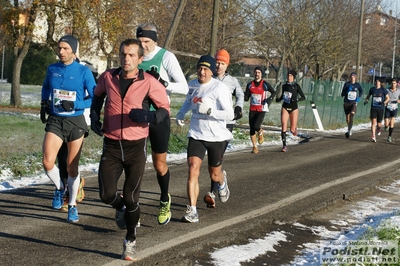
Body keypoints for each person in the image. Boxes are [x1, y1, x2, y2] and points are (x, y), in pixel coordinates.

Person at [90, 38, 170, 261]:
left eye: (132, 55)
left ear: (140, 59)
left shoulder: (149, 82)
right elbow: (97, 97)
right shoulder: (108, 77)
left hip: (136, 147)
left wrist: (150, 116)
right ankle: (121, 208)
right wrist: (94, 115)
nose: (126, 59)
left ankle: (130, 240)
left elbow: (165, 109)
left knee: (132, 197)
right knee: (106, 195)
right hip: (112, 144)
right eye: (123, 54)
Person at [136, 22, 189, 225]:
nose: (143, 45)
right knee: (136, 164)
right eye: (140, 41)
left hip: (159, 116)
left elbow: (184, 87)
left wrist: (164, 83)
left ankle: (165, 198)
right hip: (138, 117)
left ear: (154, 40)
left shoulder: (166, 56)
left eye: (147, 41)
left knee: (159, 165)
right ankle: (134, 206)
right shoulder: (135, 56)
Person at [40, 35, 96, 222]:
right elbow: (46, 87)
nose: (61, 52)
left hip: (75, 122)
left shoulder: (83, 71)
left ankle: (72, 204)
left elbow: (95, 97)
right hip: (56, 121)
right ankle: (59, 188)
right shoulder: (52, 69)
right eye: (59, 48)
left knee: (72, 167)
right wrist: (44, 102)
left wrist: (76, 104)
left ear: (73, 50)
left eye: (65, 48)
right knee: (48, 162)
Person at [176, 55, 234, 223]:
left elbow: (229, 114)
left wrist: (210, 111)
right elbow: (188, 101)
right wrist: (181, 112)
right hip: (196, 134)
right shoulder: (192, 85)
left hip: (215, 136)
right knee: (193, 168)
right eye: (200, 68)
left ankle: (222, 181)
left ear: (211, 71)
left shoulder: (219, 88)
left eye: (206, 69)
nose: (202, 72)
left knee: (214, 175)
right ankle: (192, 210)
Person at [203, 48, 244, 209]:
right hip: (211, 122)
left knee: (217, 158)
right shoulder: (208, 79)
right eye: (217, 63)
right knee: (212, 159)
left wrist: (238, 109)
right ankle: (221, 180)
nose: (219, 66)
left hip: (226, 123)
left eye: (222, 63)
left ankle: (212, 192)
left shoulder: (232, 81)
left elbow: (240, 95)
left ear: (227, 65)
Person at [244, 66, 276, 154]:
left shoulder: (265, 84)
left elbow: (274, 92)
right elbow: (246, 98)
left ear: (261, 74)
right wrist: (240, 94)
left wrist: (269, 99)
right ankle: (254, 147)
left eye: (259, 73)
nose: (257, 74)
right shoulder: (250, 84)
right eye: (256, 72)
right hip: (252, 109)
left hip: (261, 109)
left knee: (256, 126)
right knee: (251, 129)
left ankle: (260, 131)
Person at [276, 70, 305, 152]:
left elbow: (303, 97)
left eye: (291, 76)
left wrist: (297, 99)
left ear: (293, 77)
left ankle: (294, 128)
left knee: (292, 130)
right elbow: (283, 96)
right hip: (285, 107)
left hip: (294, 108)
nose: (289, 77)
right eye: (288, 76)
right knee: (284, 125)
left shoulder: (296, 86)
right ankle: (284, 146)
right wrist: (278, 99)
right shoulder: (284, 86)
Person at [364, 78, 390, 142]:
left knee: (379, 124)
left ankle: (378, 128)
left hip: (380, 108)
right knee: (373, 122)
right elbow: (368, 96)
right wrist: (366, 100)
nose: (377, 82)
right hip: (373, 108)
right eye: (376, 81)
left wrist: (384, 102)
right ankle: (373, 135)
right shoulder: (372, 89)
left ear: (380, 83)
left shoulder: (383, 90)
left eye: (378, 81)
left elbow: (388, 98)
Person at [341, 72, 363, 138]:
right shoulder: (347, 84)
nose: (352, 77)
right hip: (347, 102)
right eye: (351, 76)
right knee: (348, 118)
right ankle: (349, 129)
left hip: (353, 103)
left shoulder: (357, 85)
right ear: (350, 77)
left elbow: (361, 91)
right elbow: (342, 94)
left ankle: (349, 130)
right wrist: (347, 91)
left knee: (351, 115)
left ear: (355, 77)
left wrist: (359, 97)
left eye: (353, 76)